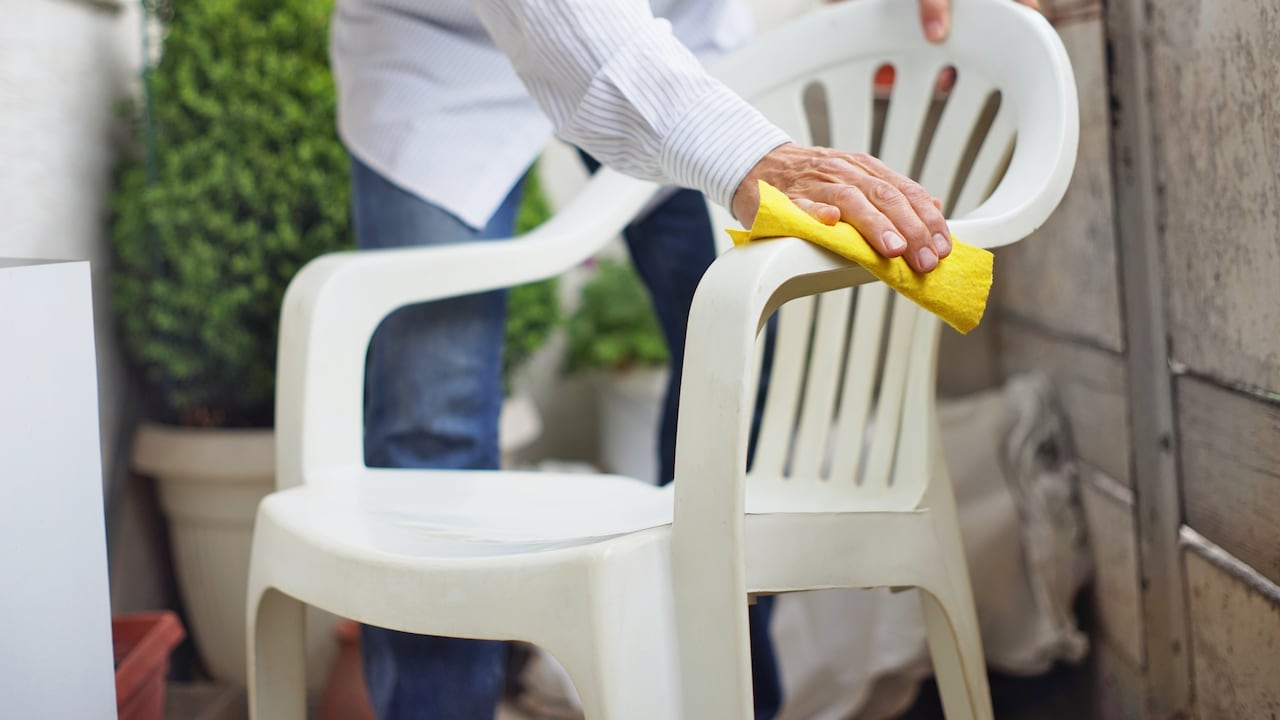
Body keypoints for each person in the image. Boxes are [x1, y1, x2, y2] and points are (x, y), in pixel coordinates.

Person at [329, 0, 1039, 717]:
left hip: (664, 25)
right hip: (438, 48)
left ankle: (722, 695)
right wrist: (750, 155)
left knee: (737, 372)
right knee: (431, 422)